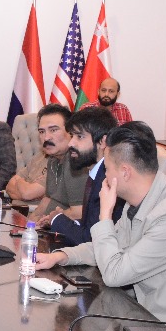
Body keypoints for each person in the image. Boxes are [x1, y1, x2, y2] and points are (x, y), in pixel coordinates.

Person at [35, 122, 166, 327]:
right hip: (148, 310)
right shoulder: (140, 200)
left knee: (78, 327)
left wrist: (105, 215)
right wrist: (61, 256)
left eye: (107, 169)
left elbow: (114, 274)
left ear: (125, 172)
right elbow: (109, 246)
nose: (104, 176)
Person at [30, 105, 123, 245]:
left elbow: (90, 240)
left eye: (79, 137)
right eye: (72, 135)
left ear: (102, 141)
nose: (71, 143)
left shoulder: (108, 180)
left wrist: (57, 219)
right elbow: (89, 226)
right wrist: (59, 219)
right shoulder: (95, 173)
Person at [4, 103, 84, 218]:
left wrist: (49, 220)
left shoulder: (76, 163)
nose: (46, 137)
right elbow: (47, 200)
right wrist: (30, 224)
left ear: (70, 132)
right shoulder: (53, 160)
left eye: (53, 130)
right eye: (42, 132)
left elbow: (78, 213)